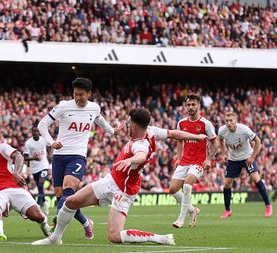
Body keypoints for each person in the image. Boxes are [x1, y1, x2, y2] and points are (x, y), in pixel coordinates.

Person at [32, 108, 208, 245]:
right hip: (111, 180)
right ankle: (55, 238)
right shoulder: (152, 131)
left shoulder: (141, 144)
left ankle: (161, 238)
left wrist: (131, 160)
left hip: (124, 191)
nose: (125, 125)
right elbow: (174, 133)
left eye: (128, 123)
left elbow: (140, 155)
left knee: (114, 236)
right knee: (71, 201)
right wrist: (197, 137)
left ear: (133, 126)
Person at [38, 77, 122, 239]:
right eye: (75, 94)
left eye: (81, 94)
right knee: (61, 197)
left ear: (89, 93)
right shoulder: (63, 106)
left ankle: (55, 232)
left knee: (68, 192)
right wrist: (51, 142)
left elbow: (100, 121)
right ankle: (86, 223)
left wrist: (112, 131)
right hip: (59, 156)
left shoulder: (94, 108)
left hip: (77, 156)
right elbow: (42, 124)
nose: (78, 98)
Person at [169, 94, 218, 228]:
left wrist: (208, 159)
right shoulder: (181, 123)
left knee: (186, 186)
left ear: (198, 106)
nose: (190, 107)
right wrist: (178, 158)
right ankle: (193, 210)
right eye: (188, 105)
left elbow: (216, 143)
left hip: (198, 161)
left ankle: (181, 219)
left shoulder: (205, 124)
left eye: (193, 104)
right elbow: (179, 140)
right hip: (185, 161)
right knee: (172, 189)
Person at [218, 112, 272, 218]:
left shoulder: (244, 129)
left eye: (231, 120)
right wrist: (223, 153)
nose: (228, 123)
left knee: (255, 177)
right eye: (227, 121)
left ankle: (268, 205)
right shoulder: (222, 130)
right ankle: (228, 210)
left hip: (247, 157)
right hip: (233, 159)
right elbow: (220, 140)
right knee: (227, 183)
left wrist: (252, 157)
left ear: (235, 121)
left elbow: (258, 141)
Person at [24, 126, 52, 215]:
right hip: (34, 168)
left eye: (37, 131)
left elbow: (51, 145)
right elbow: (25, 157)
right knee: (40, 187)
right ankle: (45, 204)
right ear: (32, 133)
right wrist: (33, 158)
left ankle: (38, 206)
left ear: (39, 132)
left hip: (44, 166)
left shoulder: (43, 140)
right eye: (34, 132)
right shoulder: (28, 143)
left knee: (40, 185)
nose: (36, 133)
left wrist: (50, 155)